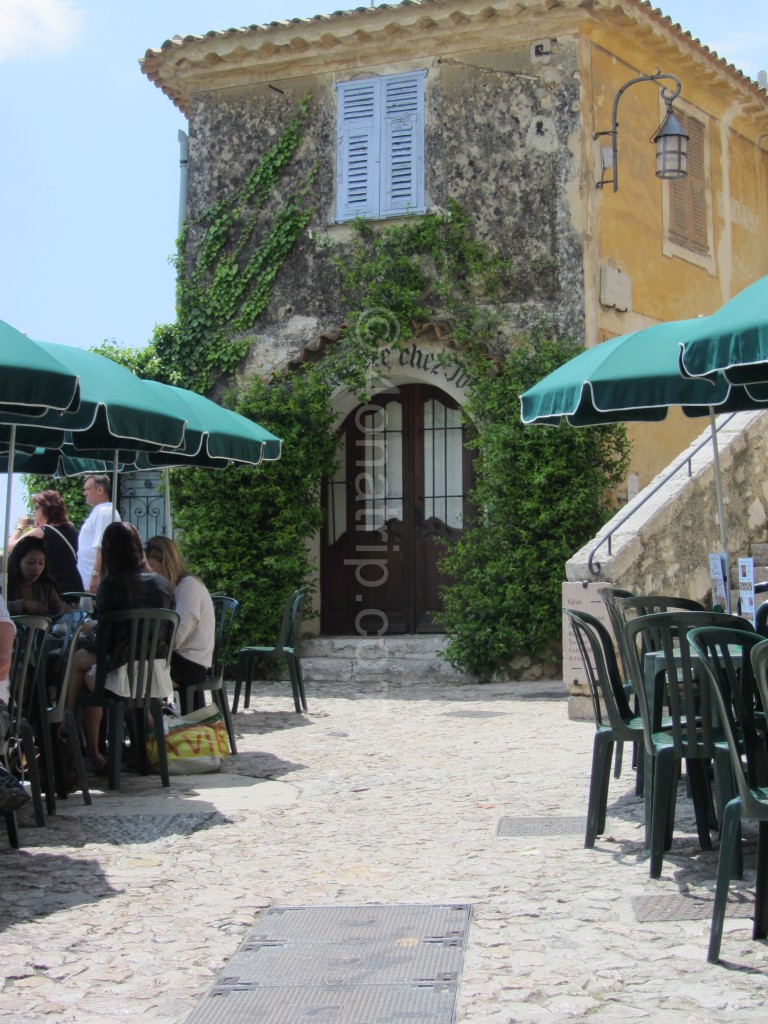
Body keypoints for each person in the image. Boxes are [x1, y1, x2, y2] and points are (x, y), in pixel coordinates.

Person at [65, 522, 174, 774]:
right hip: (155, 673)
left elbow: (105, 640)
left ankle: (74, 732)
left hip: (120, 673)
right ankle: (95, 746)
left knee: (83, 665)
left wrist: (89, 629)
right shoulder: (162, 584)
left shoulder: (111, 585)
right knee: (86, 664)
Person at [144, 536, 215, 697]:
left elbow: (176, 639)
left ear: (166, 563)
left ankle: (148, 721)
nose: (148, 571)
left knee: (126, 676)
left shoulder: (188, 586)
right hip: (174, 657)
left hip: (188, 663)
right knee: (119, 671)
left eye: (152, 565)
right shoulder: (172, 587)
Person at [7, 489, 83, 594]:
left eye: (36, 507)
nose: (34, 511)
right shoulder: (71, 528)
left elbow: (10, 547)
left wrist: (20, 527)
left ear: (47, 509)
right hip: (75, 586)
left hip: (56, 589)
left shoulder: (40, 532)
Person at [77, 475, 120, 595]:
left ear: (100, 490)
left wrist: (95, 576)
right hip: (89, 582)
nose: (84, 493)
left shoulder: (104, 513)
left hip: (95, 585)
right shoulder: (99, 511)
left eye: (87, 489)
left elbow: (102, 547)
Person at [5, 534, 66, 618]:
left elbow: (59, 613)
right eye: (31, 563)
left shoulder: (46, 587)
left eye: (41, 563)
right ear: (17, 562)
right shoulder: (4, 584)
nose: (36, 568)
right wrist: (22, 605)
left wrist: (65, 611)